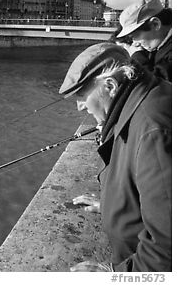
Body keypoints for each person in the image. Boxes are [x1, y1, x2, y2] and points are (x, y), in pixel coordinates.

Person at [59, 43, 171, 272]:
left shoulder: (154, 130)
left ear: (110, 85)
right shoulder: (142, 101)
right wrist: (114, 204)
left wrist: (116, 274)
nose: (80, 107)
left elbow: (169, 245)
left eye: (81, 96)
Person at [115, 0, 172, 82]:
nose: (135, 43)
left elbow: (157, 87)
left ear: (155, 24)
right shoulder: (159, 45)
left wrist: (137, 56)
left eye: (134, 37)